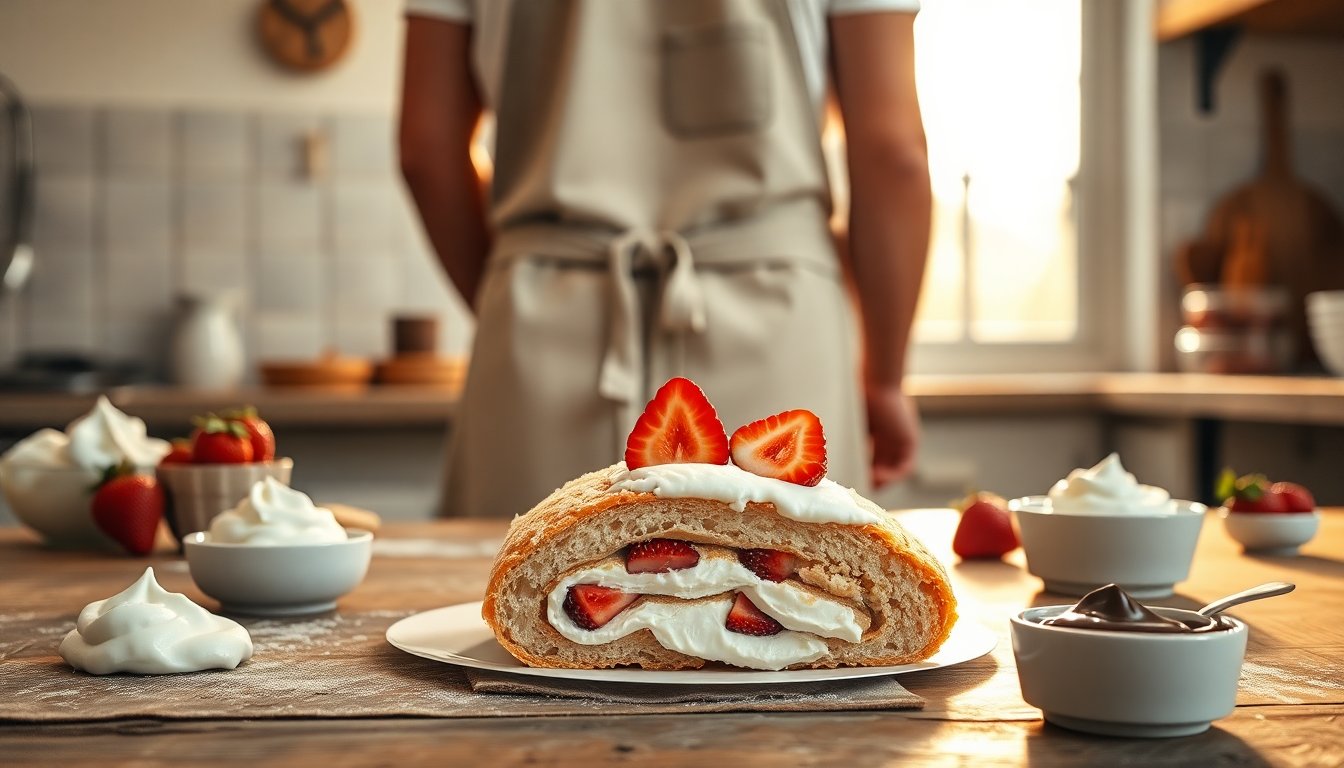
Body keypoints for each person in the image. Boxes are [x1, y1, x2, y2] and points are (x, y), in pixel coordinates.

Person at [400, 0, 931, 518]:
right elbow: (892, 152)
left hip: (545, 333)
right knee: (799, 592)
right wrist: (884, 377)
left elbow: (426, 147)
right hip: (778, 327)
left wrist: (511, 295)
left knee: (523, 592)